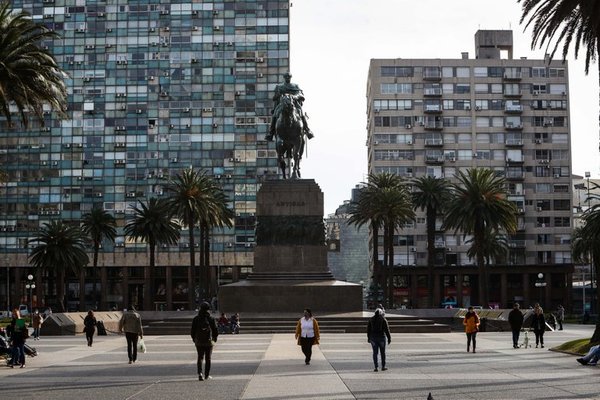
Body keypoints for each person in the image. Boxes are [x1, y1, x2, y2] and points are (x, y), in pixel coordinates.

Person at [266, 72, 314, 141]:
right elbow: (274, 98)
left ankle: (307, 130)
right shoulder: (279, 87)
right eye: (286, 77)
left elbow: (301, 95)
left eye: (289, 77)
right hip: (282, 104)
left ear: (290, 78)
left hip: (294, 104)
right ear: (284, 78)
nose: (287, 78)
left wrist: (295, 96)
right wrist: (280, 95)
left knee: (301, 113)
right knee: (275, 114)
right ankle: (271, 132)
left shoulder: (295, 86)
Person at [191, 302, 218, 381]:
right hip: (209, 341)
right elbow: (215, 330)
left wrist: (194, 339)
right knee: (208, 358)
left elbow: (192, 330)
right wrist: (214, 339)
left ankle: (200, 373)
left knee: (200, 357)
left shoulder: (196, 318)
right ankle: (207, 375)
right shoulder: (211, 318)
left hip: (199, 341)